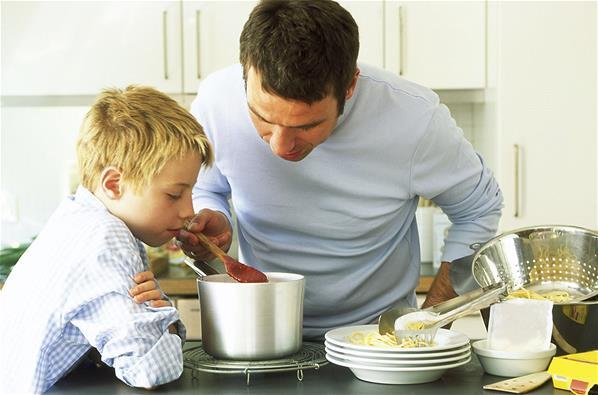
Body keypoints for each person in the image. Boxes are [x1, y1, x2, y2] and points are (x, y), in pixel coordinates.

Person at [178, 0, 503, 340]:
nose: (279, 145)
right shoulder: (216, 101)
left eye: (307, 125)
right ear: (245, 71)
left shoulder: (415, 118)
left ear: (349, 86)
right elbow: (207, 186)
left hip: (376, 338)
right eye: (263, 118)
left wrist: (431, 320)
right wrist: (213, 215)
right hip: (264, 331)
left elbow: (479, 209)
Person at [0, 85, 213, 393]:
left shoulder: (74, 217)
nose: (188, 211)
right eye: (174, 194)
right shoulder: (106, 237)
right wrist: (163, 317)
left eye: (191, 192)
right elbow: (150, 369)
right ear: (114, 183)